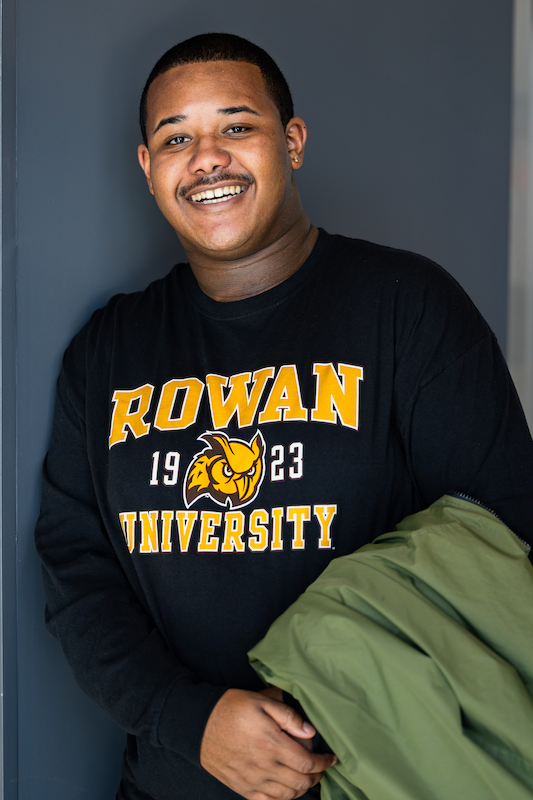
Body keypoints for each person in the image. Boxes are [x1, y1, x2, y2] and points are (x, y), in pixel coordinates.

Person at [35, 31, 533, 800]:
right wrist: (190, 719)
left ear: (291, 142)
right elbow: (77, 571)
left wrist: (337, 703)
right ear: (148, 168)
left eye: (237, 126)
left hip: (378, 772)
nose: (207, 157)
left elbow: (496, 536)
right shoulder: (109, 349)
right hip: (175, 778)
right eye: (176, 137)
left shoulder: (405, 306)